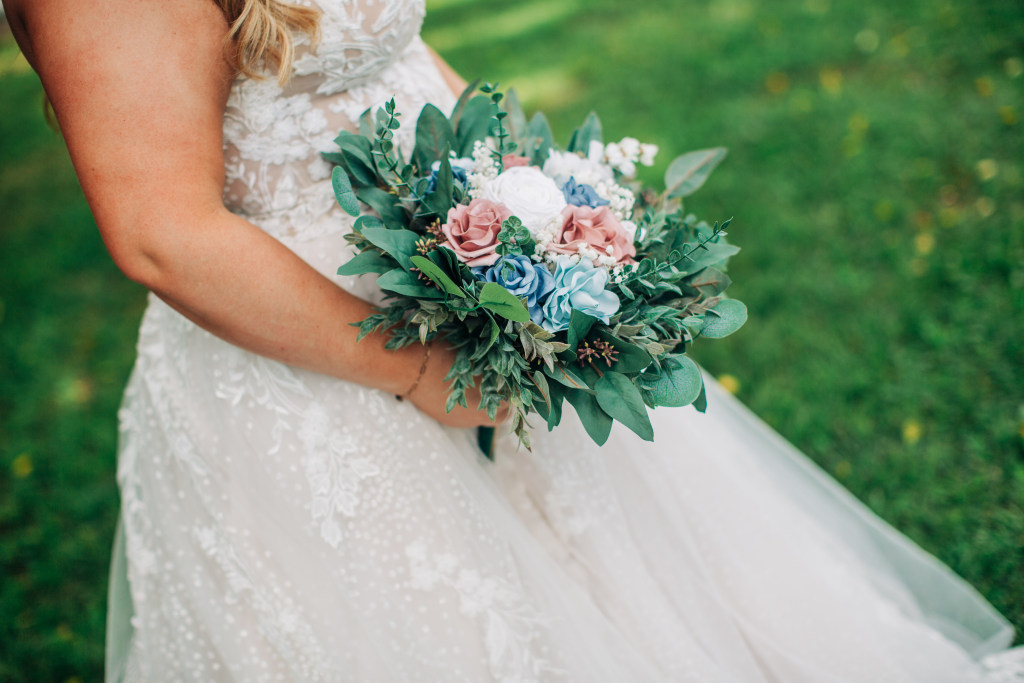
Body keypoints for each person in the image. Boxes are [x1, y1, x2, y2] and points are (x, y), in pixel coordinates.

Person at [4, 0, 1022, 681]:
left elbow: (389, 52)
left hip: (484, 294)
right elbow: (162, 234)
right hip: (315, 375)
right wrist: (412, 370)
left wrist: (539, 204)